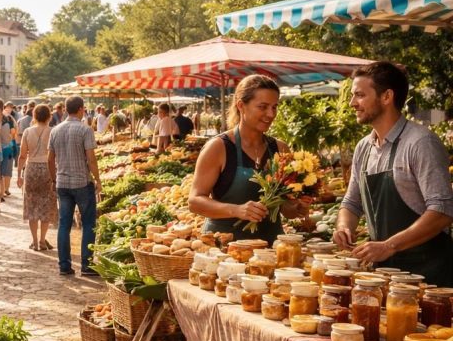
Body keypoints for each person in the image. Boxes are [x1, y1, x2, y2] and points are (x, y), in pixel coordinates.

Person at [332, 61, 453, 287]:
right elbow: (352, 202)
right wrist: (343, 227)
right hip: (384, 273)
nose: (352, 103)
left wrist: (389, 245)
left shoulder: (420, 143)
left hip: (428, 275)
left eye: (359, 95)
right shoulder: (364, 147)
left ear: (386, 96)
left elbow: (442, 211)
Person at [188, 74, 305, 244]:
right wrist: (236, 210)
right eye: (263, 107)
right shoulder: (219, 147)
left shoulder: (280, 149)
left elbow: (286, 209)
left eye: (274, 107)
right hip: (224, 250)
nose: (271, 114)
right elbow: (195, 201)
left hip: (270, 248)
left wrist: (297, 207)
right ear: (241, 106)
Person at [48, 96, 101, 276]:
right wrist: (98, 179)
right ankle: (86, 265)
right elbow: (91, 159)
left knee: (64, 224)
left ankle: (64, 265)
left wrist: (54, 179)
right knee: (88, 224)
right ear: (80, 109)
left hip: (62, 183)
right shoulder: (85, 130)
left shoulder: (55, 130)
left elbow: (50, 158)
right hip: (82, 183)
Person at [18, 104, 57, 251]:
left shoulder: (28, 131)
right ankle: (42, 240)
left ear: (34, 116)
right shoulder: (53, 131)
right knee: (46, 204)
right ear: (49, 116)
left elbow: (22, 155)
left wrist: (19, 175)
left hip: (32, 169)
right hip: (48, 168)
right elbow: (55, 154)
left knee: (32, 204)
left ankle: (34, 241)